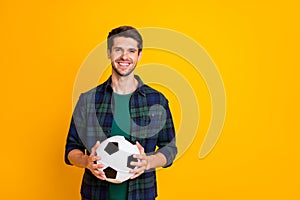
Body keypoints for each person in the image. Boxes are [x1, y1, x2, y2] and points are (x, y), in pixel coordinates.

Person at [65, 26, 177, 200]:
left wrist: (148, 162)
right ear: (109, 53)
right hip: (95, 194)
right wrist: (86, 161)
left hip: (141, 194)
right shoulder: (88, 100)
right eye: (118, 50)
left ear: (139, 55)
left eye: (131, 51)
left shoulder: (157, 100)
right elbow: (71, 150)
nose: (125, 56)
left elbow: (169, 149)